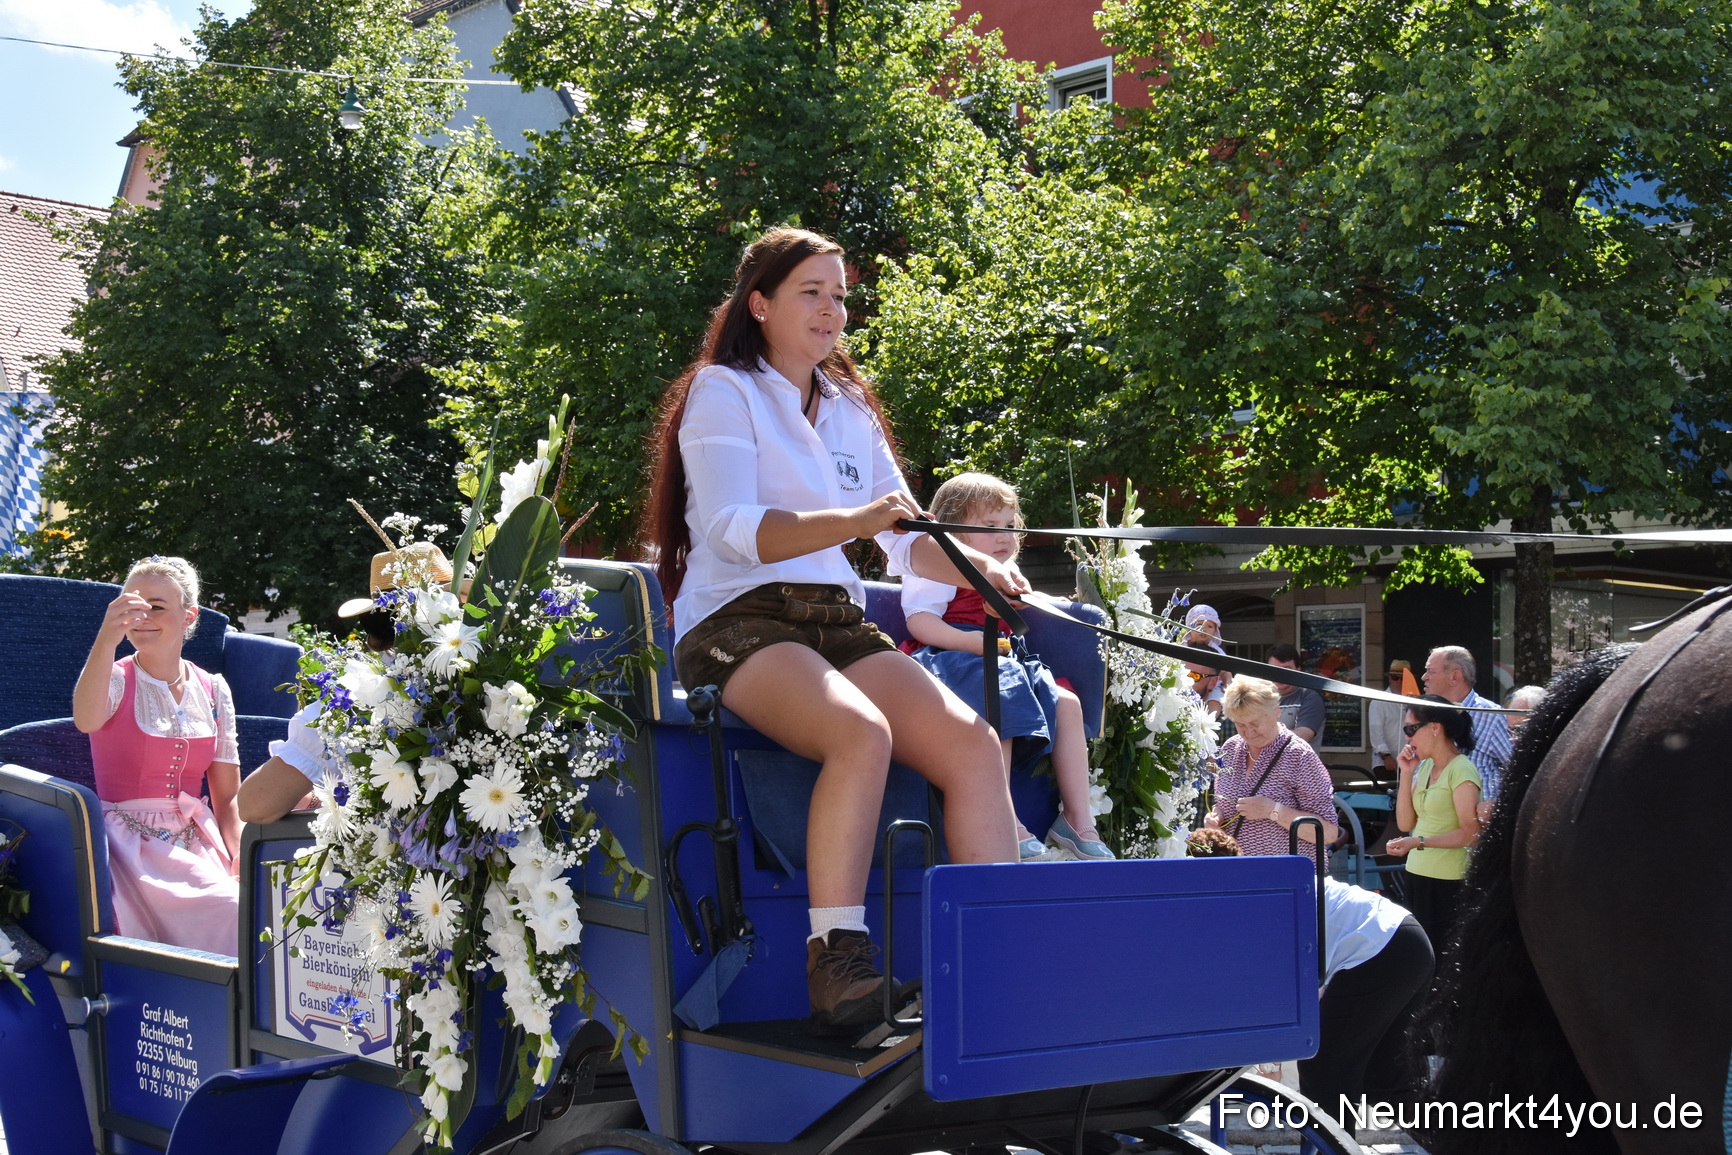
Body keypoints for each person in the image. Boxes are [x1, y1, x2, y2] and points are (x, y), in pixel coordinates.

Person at [642, 227, 1021, 1035]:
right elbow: (737, 529)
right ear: (761, 304)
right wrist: (854, 518)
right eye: (811, 291)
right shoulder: (723, 391)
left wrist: (982, 571)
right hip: (737, 619)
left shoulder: (850, 408)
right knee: (861, 731)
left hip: (834, 619)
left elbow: (907, 539)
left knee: (974, 744)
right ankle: (837, 960)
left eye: (840, 294)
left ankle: (996, 956)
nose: (831, 309)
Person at [900, 472, 1111, 861]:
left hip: (1003, 658)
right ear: (953, 529)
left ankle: (1077, 820)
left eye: (1010, 526)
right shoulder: (939, 565)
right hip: (952, 659)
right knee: (1004, 691)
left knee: (1067, 702)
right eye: (990, 525)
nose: (1004, 536)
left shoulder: (1005, 569)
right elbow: (920, 621)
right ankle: (1005, 818)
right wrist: (975, 643)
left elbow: (1029, 602)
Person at [1182, 828, 1434, 1125]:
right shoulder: (1264, 884)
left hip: (1380, 949)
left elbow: (1279, 993)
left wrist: (1269, 1063)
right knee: (1387, 1083)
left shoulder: (1251, 905)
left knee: (1325, 1071)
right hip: (1407, 939)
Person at [72, 557, 240, 955]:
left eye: (157, 606)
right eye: (132, 604)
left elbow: (227, 797)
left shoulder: (213, 689)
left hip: (198, 839)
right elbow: (85, 719)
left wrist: (241, 858)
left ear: (188, 616)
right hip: (130, 847)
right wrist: (106, 638)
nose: (142, 616)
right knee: (230, 909)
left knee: (255, 905)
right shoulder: (114, 677)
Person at [238, 544, 452, 825]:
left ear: (375, 630)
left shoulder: (356, 699)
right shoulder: (501, 679)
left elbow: (255, 805)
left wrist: (323, 798)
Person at [1384, 694, 1481, 953]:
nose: (1407, 737)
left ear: (1435, 728)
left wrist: (1419, 842)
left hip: (1448, 879)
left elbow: (1470, 834)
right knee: (1418, 957)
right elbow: (1405, 823)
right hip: (1417, 874)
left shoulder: (1461, 769)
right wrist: (1406, 773)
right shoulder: (1425, 767)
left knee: (1439, 956)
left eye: (1411, 728)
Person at [1204, 677, 1338, 863]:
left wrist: (1273, 810)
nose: (1249, 732)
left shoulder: (1298, 755)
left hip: (1287, 877)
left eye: (1255, 723)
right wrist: (1216, 818)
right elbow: (1224, 801)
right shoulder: (1230, 748)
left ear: (1276, 711)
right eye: (1240, 725)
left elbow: (1329, 832)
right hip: (1237, 873)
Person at [1421, 646, 1511, 801]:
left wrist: (1494, 805)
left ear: (1455, 677)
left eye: (1431, 671)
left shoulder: (1492, 717)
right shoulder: (1425, 715)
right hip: (1433, 819)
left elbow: (1518, 770)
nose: (1424, 677)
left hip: (1476, 820)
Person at [1268, 643, 1326, 752]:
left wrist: (1262, 736)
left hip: (1299, 767)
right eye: (1274, 669)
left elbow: (1302, 737)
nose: (1280, 675)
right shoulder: (1261, 697)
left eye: (1286, 669)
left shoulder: (1310, 698)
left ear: (1298, 669)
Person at [1366, 660, 1412, 781]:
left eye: (1403, 678)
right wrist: (1386, 756)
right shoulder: (1378, 701)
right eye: (1395, 677)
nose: (1399, 682)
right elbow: (1376, 731)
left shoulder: (1414, 701)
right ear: (1389, 679)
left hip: (1409, 761)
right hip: (1385, 762)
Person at [1182, 605, 1229, 716]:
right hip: (1187, 683)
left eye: (1209, 626)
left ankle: (1209, 720)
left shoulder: (1216, 651)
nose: (1204, 629)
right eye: (1199, 624)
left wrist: (1228, 684)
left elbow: (1225, 671)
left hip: (1214, 684)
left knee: (1216, 698)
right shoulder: (1181, 648)